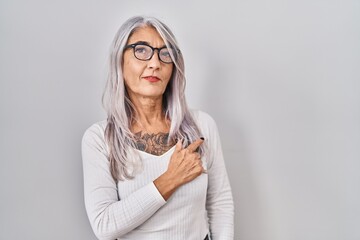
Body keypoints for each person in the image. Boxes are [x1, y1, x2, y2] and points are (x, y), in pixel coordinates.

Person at [81, 16, 234, 240]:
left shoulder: (201, 126)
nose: (155, 63)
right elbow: (105, 225)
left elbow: (220, 204)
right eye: (141, 50)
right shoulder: (99, 139)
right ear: (119, 61)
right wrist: (170, 178)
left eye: (165, 53)